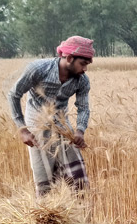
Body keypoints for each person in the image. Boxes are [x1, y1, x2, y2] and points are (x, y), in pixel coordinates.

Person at [7, 36, 94, 196]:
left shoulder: (82, 80)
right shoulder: (38, 69)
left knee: (80, 184)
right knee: (45, 187)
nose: (85, 69)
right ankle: (47, 218)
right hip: (37, 129)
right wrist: (22, 129)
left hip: (63, 128)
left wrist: (80, 131)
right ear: (69, 58)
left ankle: (81, 219)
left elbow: (83, 107)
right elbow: (14, 95)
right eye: (83, 64)